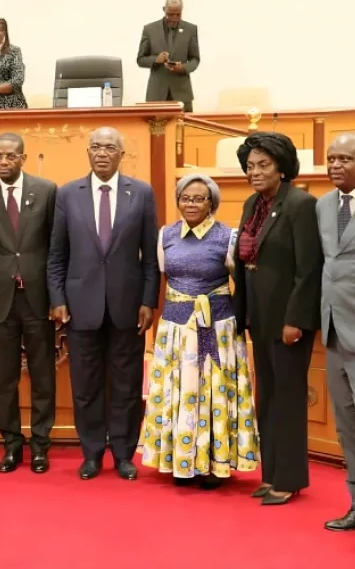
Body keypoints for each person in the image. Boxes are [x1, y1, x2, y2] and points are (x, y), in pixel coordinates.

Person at [47, 127, 160, 481]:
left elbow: (150, 257)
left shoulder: (140, 193)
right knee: (86, 384)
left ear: (121, 154)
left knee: (126, 385)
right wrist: (58, 299)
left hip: (128, 306)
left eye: (110, 147)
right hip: (81, 306)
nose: (101, 153)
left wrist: (148, 300)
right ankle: (92, 452)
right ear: (88, 153)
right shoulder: (68, 194)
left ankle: (124, 454)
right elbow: (56, 256)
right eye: (95, 147)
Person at [142, 174, 259, 488]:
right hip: (175, 328)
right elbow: (162, 278)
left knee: (212, 393)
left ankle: (211, 463)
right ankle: (178, 460)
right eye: (185, 198)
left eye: (199, 198)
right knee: (177, 391)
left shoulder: (228, 237)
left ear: (212, 203)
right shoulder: (165, 235)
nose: (191, 204)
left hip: (216, 327)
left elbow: (243, 285)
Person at [232, 132, 322, 505]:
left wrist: (295, 320)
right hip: (259, 316)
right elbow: (244, 260)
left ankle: (289, 479)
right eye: (250, 166)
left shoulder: (300, 204)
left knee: (287, 399)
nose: (254, 172)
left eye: (263, 165)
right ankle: (271, 475)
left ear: (281, 167)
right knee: (266, 398)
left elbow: (308, 269)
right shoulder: (253, 202)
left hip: (287, 321)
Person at [0, 132, 57, 473]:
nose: (3, 162)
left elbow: (56, 251)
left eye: (10, 156)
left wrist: (58, 298)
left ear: (23, 157)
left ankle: (40, 445)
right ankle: (11, 444)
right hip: (0, 301)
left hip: (39, 300)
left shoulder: (47, 191)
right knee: (4, 379)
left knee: (43, 376)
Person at [317, 134, 355, 550]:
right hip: (334, 332)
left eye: (344, 158)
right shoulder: (322, 205)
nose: (335, 165)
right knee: (348, 427)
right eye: (331, 158)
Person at [136, 0, 200, 113]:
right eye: (170, 14)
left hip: (182, 94)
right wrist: (156, 59)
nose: (174, 18)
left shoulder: (191, 29)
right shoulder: (149, 30)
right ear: (164, 9)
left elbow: (195, 59)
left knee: (184, 129)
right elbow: (140, 59)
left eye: (178, 14)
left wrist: (183, 68)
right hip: (157, 94)